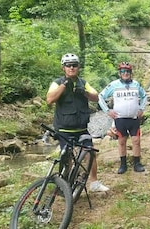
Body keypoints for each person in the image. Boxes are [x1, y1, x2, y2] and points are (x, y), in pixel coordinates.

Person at [46, 53, 109, 192]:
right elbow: (49, 100)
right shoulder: (57, 82)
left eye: (74, 65)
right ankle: (65, 185)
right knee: (66, 157)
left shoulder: (83, 83)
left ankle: (94, 183)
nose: (72, 68)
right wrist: (64, 86)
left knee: (90, 153)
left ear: (78, 67)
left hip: (81, 128)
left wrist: (84, 93)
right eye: (68, 65)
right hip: (64, 129)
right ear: (63, 68)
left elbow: (96, 98)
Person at [98, 62, 147, 174]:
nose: (125, 73)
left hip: (134, 118)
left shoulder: (136, 84)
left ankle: (137, 163)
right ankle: (123, 164)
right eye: (123, 71)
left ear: (130, 73)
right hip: (120, 118)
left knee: (136, 140)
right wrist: (107, 110)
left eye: (127, 71)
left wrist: (141, 109)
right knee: (121, 141)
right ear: (120, 73)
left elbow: (144, 96)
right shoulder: (114, 85)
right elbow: (100, 96)